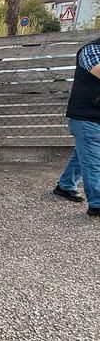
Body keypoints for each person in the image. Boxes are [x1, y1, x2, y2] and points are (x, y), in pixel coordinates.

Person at [54, 37, 100, 218]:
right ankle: (97, 203)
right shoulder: (92, 50)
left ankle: (65, 185)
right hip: (87, 116)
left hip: (94, 116)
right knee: (93, 161)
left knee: (85, 155)